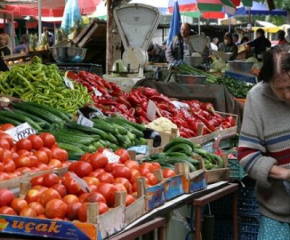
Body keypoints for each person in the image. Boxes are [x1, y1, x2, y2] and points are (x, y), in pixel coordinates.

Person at [238, 48, 290, 239]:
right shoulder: (257, 98)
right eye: (280, 88)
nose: (287, 95)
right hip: (278, 211)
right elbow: (246, 154)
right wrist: (284, 173)